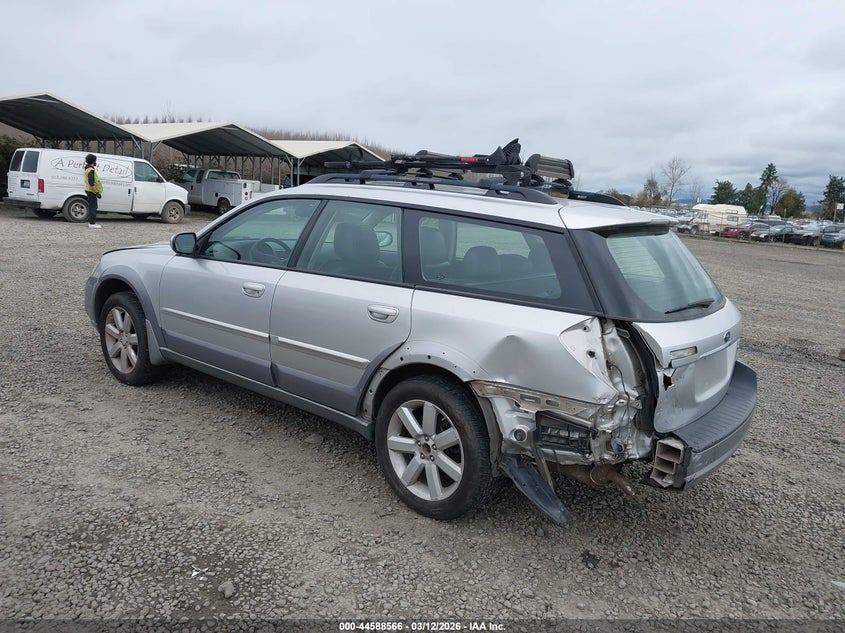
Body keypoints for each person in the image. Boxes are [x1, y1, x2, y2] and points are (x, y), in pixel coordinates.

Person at [84, 154, 103, 228]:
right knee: (93, 207)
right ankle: (92, 223)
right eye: (95, 160)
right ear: (93, 161)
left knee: (92, 206)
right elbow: (91, 182)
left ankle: (91, 222)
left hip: (89, 190)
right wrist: (97, 192)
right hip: (92, 191)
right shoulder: (91, 170)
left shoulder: (87, 169)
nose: (96, 162)